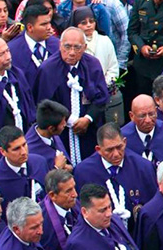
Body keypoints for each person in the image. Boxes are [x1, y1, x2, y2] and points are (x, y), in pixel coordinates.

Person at [32, 28, 109, 163]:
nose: (72, 52)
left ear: (85, 47)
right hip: (60, 131)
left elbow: (101, 98)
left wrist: (87, 119)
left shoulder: (93, 65)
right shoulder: (47, 69)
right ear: (60, 45)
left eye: (77, 48)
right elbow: (44, 103)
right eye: (67, 47)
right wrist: (70, 120)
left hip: (89, 130)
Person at [72, 124, 157, 225]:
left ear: (124, 142)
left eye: (119, 147)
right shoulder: (83, 172)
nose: (116, 154)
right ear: (98, 149)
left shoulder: (143, 167)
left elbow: (154, 206)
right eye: (109, 150)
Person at [66, 182, 139, 250]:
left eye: (109, 207)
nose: (109, 214)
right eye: (102, 210)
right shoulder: (77, 244)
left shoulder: (114, 220)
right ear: (85, 212)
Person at [0, 127, 47, 204]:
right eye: (16, 149)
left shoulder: (39, 163)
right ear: (3, 151)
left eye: (24, 145)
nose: (23, 152)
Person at [38, 169, 77, 250]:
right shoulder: (42, 222)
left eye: (74, 188)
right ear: (52, 195)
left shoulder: (76, 205)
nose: (75, 194)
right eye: (68, 191)